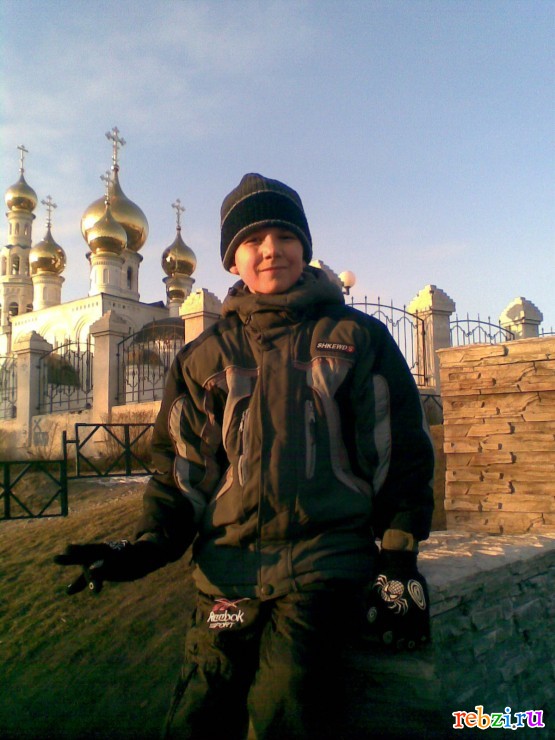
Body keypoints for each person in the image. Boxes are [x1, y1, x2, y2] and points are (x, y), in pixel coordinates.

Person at [55, 173, 435, 740]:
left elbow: (397, 448)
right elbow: (180, 471)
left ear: (305, 246)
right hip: (226, 576)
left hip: (321, 567)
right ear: (232, 259)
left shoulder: (356, 339)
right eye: (253, 240)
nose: (271, 249)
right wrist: (147, 544)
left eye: (285, 236)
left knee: (287, 711)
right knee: (198, 716)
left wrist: (399, 555)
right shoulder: (205, 357)